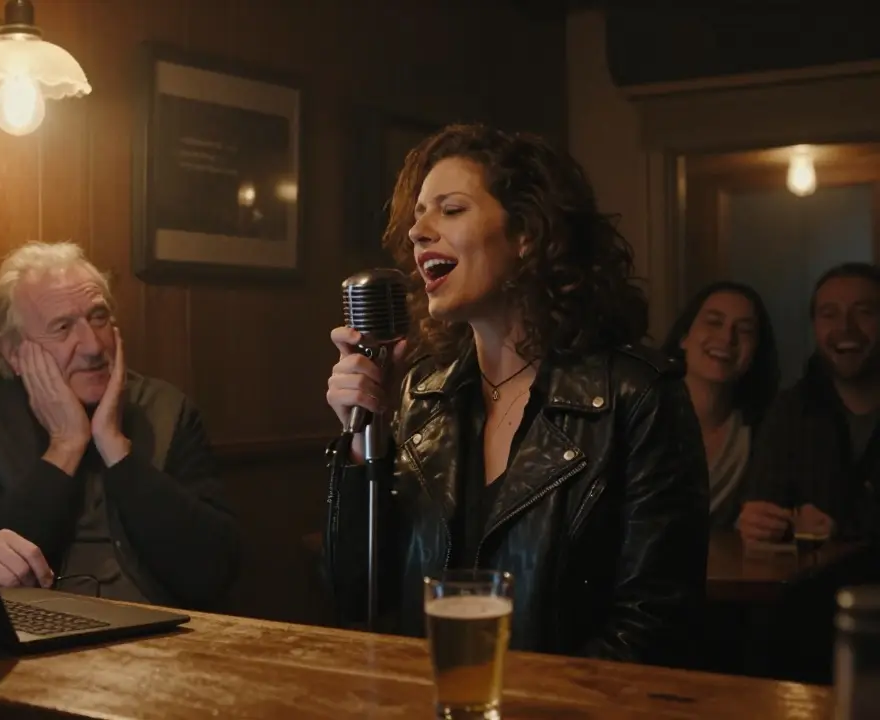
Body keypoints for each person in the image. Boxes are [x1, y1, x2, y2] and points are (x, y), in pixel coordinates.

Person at [322, 123, 709, 665]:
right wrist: (366, 441)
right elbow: (358, 597)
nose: (418, 233)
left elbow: (655, 626)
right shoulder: (421, 394)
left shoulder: (635, 396)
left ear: (527, 232)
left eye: (450, 210)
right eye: (417, 217)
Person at [0, 241, 240, 610]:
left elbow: (213, 572)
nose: (92, 345)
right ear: (14, 353)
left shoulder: (168, 409)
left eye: (98, 317)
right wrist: (65, 444)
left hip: (163, 643)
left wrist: (115, 447)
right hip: (26, 641)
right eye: (62, 327)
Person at [738, 262, 880, 544]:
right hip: (812, 584)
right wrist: (757, 524)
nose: (845, 327)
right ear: (814, 326)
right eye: (829, 314)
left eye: (863, 312)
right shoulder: (788, 411)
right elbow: (765, 506)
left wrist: (844, 528)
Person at [661, 281, 779, 529]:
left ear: (756, 351)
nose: (727, 338)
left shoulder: (763, 430)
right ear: (685, 337)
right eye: (714, 322)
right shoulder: (644, 416)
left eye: (745, 330)